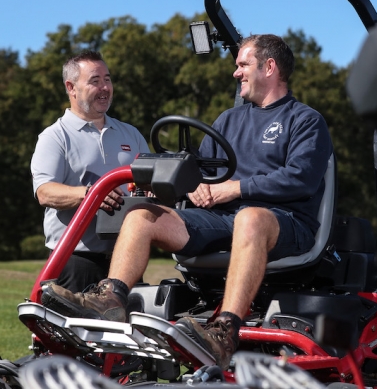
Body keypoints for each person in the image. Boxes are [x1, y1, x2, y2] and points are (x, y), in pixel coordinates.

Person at [41, 35, 333, 370]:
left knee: (250, 218)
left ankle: (224, 330)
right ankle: (111, 299)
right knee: (141, 216)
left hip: (284, 223)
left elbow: (301, 178)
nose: (236, 73)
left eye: (242, 65)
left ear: (269, 67)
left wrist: (235, 189)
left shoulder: (305, 120)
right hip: (224, 221)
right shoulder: (229, 120)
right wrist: (193, 187)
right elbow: (204, 173)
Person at [31, 50, 150, 293]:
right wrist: (92, 195)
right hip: (75, 262)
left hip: (127, 261)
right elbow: (44, 192)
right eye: (95, 81)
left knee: (130, 331)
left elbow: (149, 183)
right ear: (71, 87)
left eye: (107, 79)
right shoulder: (55, 136)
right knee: (75, 332)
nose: (105, 87)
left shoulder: (131, 134)